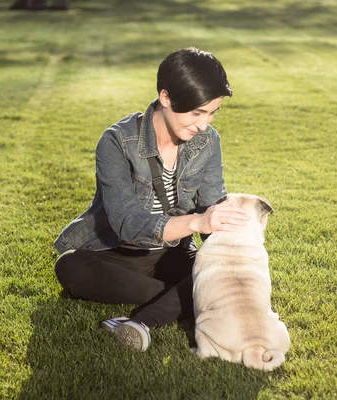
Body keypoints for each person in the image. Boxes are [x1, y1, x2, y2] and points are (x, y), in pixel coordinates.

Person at [53, 47, 250, 351]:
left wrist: (225, 230)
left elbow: (212, 206)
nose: (204, 125)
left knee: (225, 270)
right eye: (197, 112)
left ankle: (145, 320)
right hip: (118, 253)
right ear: (166, 98)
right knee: (69, 267)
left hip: (173, 254)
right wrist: (197, 222)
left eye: (211, 113)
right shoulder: (117, 142)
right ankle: (192, 297)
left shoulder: (209, 142)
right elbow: (128, 225)